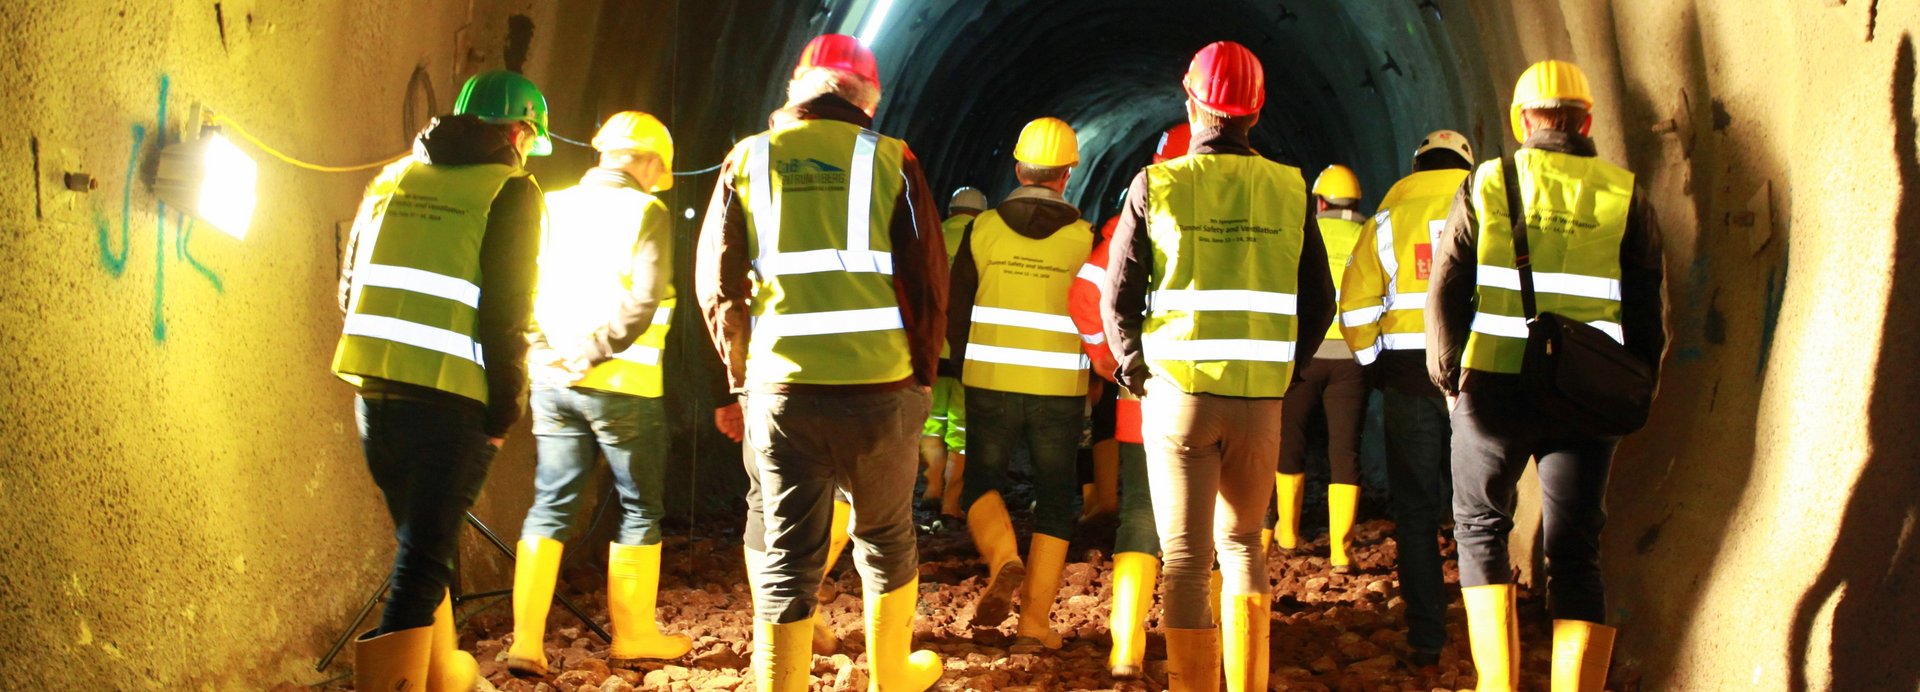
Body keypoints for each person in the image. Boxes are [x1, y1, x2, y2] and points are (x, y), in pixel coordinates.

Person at [695, 34, 948, 692]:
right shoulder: (894, 160)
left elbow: (720, 288)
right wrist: (921, 377)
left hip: (783, 388)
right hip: (881, 385)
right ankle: (891, 678)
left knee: (787, 552)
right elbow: (926, 283)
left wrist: (741, 380)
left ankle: (778, 683)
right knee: (887, 535)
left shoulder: (747, 158)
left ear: (796, 87)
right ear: (871, 97)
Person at [1427, 60, 1666, 692]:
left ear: (1521, 120)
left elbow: (1445, 292)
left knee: (1481, 529)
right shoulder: (1624, 194)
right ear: (1587, 121)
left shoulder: (1488, 184)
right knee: (1576, 553)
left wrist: (1451, 379)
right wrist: (1636, 386)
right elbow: (1647, 311)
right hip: (1587, 399)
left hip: (1494, 391)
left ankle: (1498, 686)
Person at [1105, 42, 1335, 692]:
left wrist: (1135, 370)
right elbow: (1320, 298)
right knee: (1243, 545)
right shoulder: (1291, 188)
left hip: (1179, 395)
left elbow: (1118, 294)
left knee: (1183, 559)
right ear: (1256, 110)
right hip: (1260, 399)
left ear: (1192, 102)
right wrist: (1285, 369)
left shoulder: (1158, 183)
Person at [331, 69, 549, 691]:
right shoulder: (510, 190)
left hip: (375, 395)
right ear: (516, 130)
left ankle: (445, 680)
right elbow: (508, 311)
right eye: (531, 138)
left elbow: (348, 288)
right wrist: (505, 413)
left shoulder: (394, 178)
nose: (528, 150)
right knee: (422, 566)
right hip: (452, 402)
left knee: (423, 547)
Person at [504, 111, 692, 675]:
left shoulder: (551, 202)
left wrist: (543, 346)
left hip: (552, 381)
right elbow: (645, 297)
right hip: (622, 383)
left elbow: (520, 280)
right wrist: (593, 351)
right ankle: (634, 636)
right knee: (639, 506)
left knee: (550, 503)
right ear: (653, 162)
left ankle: (526, 643)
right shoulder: (646, 211)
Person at [947, 117, 1096, 649]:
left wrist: (964, 364)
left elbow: (956, 309)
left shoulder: (981, 229)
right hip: (1059, 389)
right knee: (1056, 498)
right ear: (1068, 174)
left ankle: (1003, 557)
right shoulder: (1083, 238)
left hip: (989, 381)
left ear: (1018, 168)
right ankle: (1034, 625)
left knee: (981, 482)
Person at [1340, 129, 1476, 667]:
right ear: (1466, 164)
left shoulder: (1390, 218)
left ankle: (1427, 638)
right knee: (1480, 512)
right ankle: (1489, 632)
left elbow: (1354, 306)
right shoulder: (1488, 205)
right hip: (1476, 377)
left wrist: (1376, 364)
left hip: (1408, 380)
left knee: (1416, 511)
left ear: (1417, 165)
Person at [1071, 124, 1186, 679]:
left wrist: (1110, 361)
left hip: (1147, 395)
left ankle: (1125, 650)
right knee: (1212, 524)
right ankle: (1200, 654)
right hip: (1230, 394)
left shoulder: (1130, 223)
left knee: (1140, 513)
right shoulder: (1252, 219)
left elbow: (1085, 295)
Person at [1274, 164, 1368, 575]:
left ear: (1320, 201)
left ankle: (1288, 533)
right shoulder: (1369, 236)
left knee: (1289, 439)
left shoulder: (1302, 233)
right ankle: (1341, 552)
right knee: (1344, 450)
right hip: (1351, 358)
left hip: (1306, 353)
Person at [922, 187, 988, 520]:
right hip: (967, 348)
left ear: (950, 210)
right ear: (980, 213)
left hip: (932, 348)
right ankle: (952, 500)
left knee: (932, 421)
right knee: (961, 426)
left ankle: (932, 483)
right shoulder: (983, 238)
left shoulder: (930, 235)